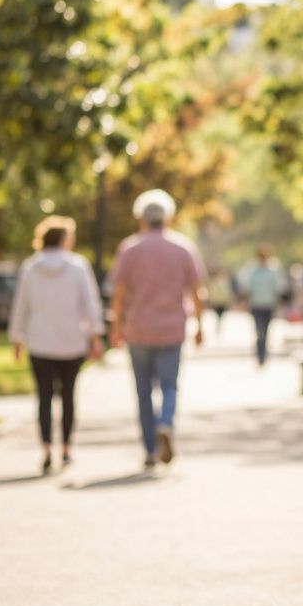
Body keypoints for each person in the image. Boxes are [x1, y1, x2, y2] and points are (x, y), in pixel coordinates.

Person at [110, 189, 206, 469]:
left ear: (140, 217)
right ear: (169, 217)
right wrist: (200, 325)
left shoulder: (129, 249)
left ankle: (150, 450)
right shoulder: (183, 248)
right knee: (169, 386)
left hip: (138, 329)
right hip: (172, 329)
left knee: (143, 392)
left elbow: (119, 293)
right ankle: (166, 422)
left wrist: (116, 327)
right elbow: (196, 290)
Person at [7, 216, 104, 474]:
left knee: (44, 397)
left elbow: (21, 305)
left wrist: (17, 337)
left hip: (40, 341)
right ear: (64, 239)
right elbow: (90, 303)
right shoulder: (78, 266)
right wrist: (95, 336)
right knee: (69, 396)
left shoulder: (30, 267)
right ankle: (67, 448)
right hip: (72, 341)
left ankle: (47, 447)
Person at [241, 244, 286, 367]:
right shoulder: (252, 269)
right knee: (258, 329)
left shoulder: (274, 269)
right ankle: (260, 352)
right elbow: (247, 286)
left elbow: (279, 287)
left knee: (265, 330)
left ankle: (263, 352)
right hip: (256, 304)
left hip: (269, 304)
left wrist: (280, 301)